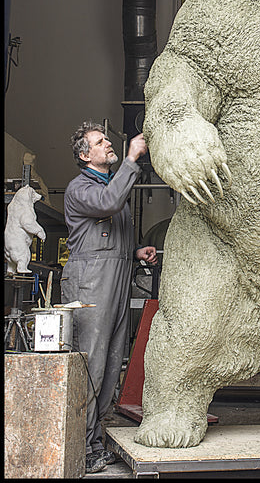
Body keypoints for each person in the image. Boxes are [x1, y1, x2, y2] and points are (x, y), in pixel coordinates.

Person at [63, 122, 158, 474]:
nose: (107, 145)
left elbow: (106, 233)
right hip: (90, 284)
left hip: (115, 280)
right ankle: (82, 446)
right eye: (100, 142)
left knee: (112, 361)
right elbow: (108, 203)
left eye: (106, 141)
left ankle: (95, 440)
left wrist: (134, 252)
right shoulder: (81, 188)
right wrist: (132, 158)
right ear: (85, 155)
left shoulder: (108, 184)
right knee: (92, 365)